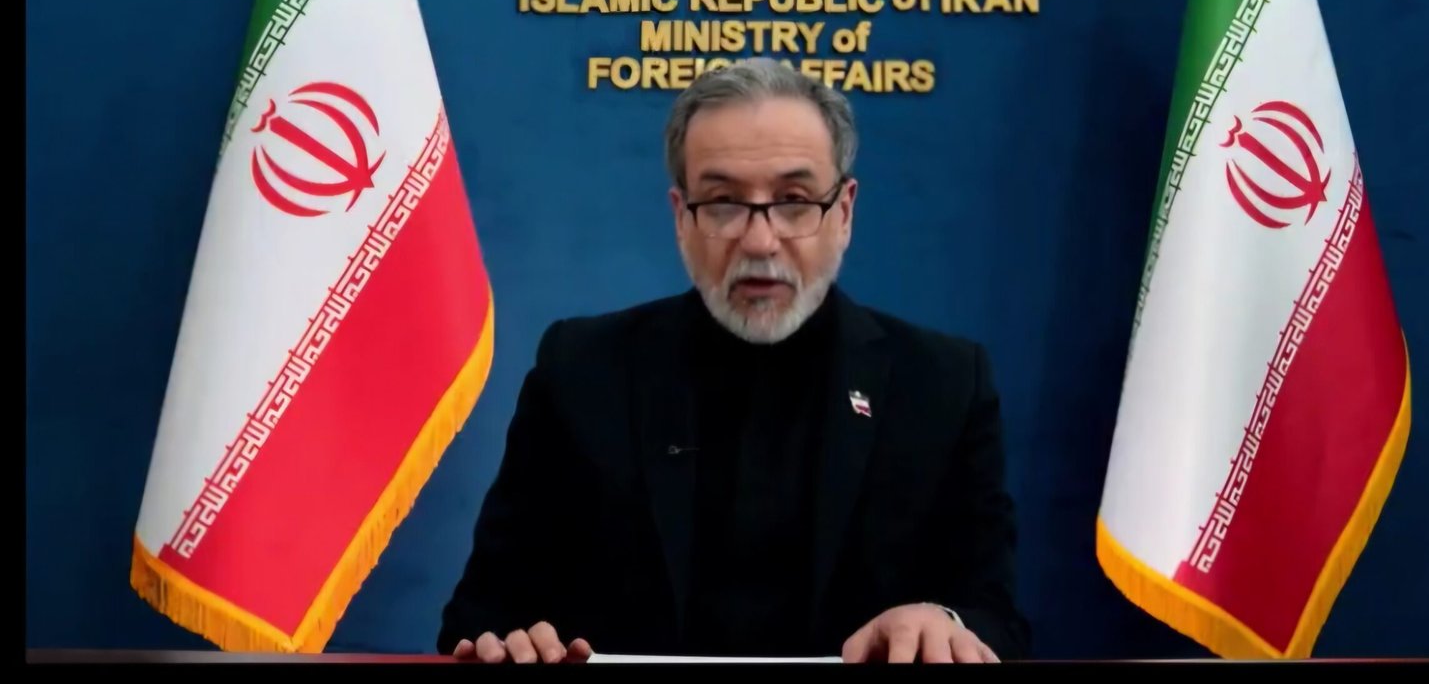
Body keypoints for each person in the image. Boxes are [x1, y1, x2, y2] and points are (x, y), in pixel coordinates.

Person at [436, 58, 1029, 664]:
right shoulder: (581, 371)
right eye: (722, 203)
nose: (760, 241)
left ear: (844, 213)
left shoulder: (941, 384)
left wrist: (943, 622)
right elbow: (480, 615)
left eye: (794, 201)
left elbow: (997, 620)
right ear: (681, 218)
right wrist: (506, 642)